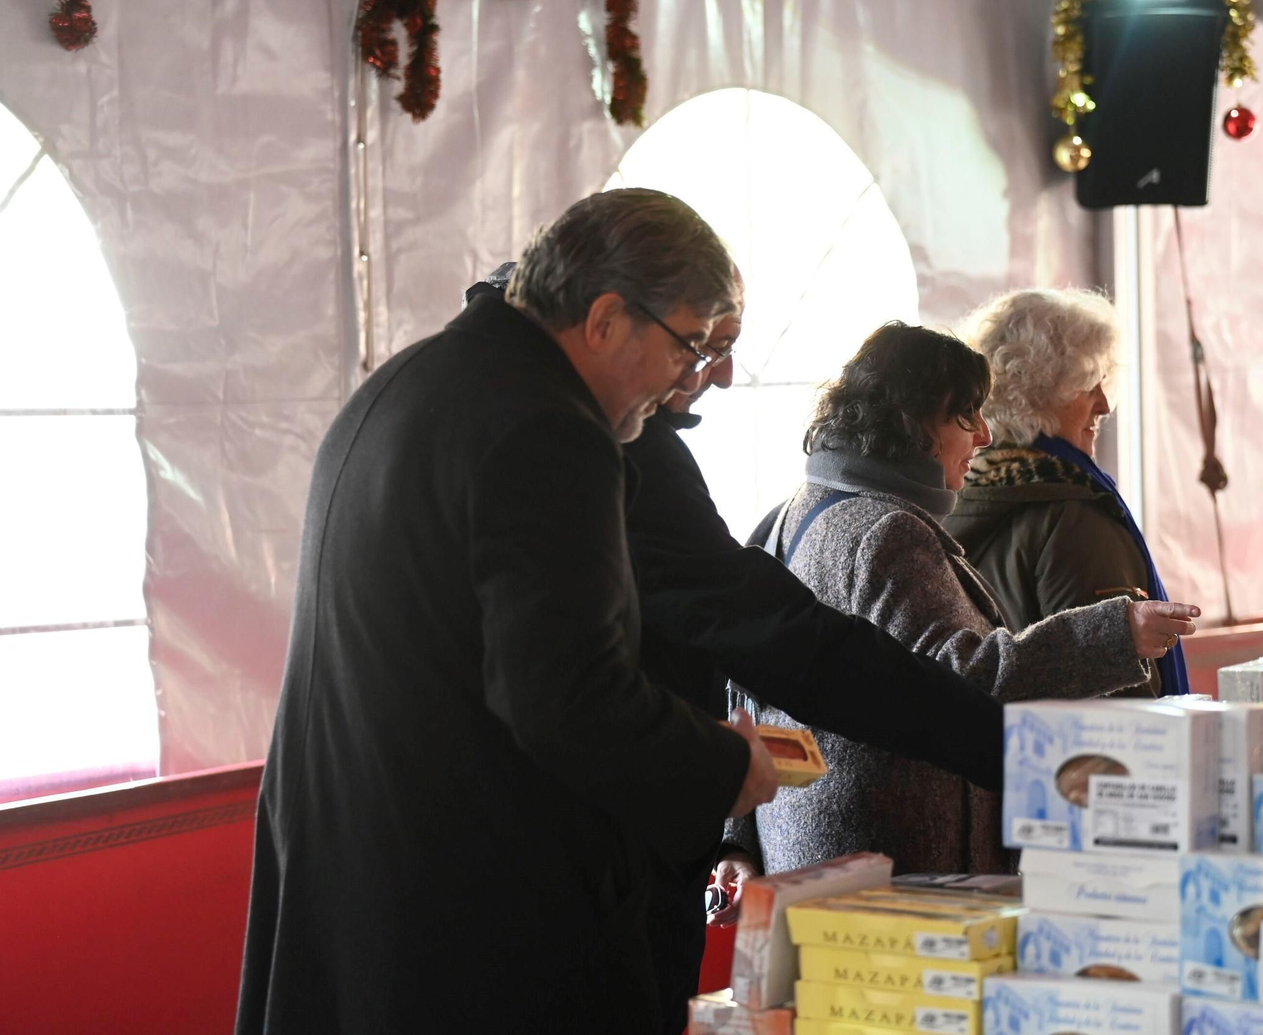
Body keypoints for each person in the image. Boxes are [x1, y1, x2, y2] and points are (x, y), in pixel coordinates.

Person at [235, 189, 782, 1034]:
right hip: (467, 913)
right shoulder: (547, 430)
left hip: (353, 874)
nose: (688, 380)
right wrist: (720, 765)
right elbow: (565, 694)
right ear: (606, 318)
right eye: (688, 345)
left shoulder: (407, 382)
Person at [470, 263, 1015, 1034]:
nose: (721, 375)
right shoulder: (593, 446)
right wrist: (1032, 736)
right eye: (699, 345)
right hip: (584, 890)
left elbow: (737, 655)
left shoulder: (475, 400)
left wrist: (734, 830)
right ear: (603, 322)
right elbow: (763, 644)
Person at [727, 322, 1198, 877]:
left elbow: (744, 691)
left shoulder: (790, 512)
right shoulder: (887, 531)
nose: (984, 436)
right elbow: (958, 681)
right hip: (895, 860)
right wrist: (1119, 632)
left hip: (806, 848)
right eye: (966, 416)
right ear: (915, 423)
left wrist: (738, 842)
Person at [942, 288, 1190, 696]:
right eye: (1089, 384)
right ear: (1038, 394)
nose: (1105, 405)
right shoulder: (1073, 516)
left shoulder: (958, 493)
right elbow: (1116, 691)